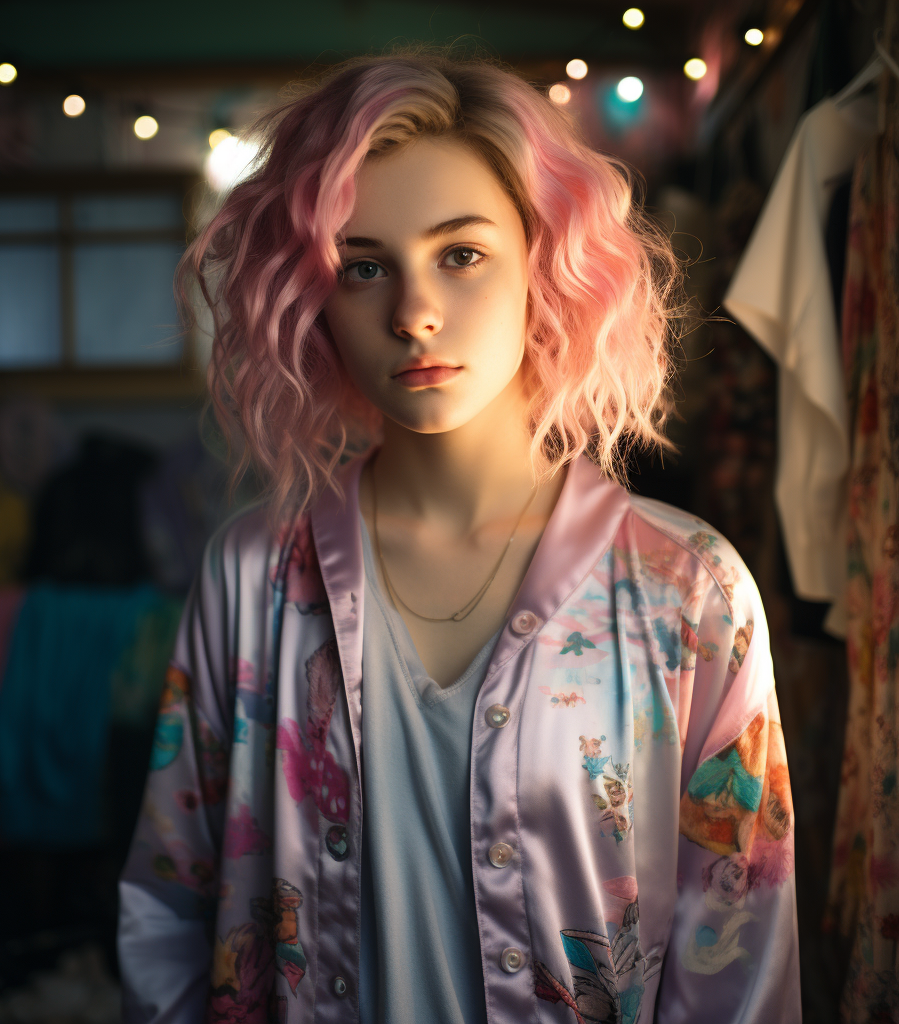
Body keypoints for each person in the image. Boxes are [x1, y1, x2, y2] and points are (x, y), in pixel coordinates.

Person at [118, 51, 801, 1024]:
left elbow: (741, 955)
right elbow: (171, 904)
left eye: (461, 252)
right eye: (363, 266)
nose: (414, 313)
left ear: (544, 260)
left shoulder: (687, 592)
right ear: (311, 296)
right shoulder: (252, 575)